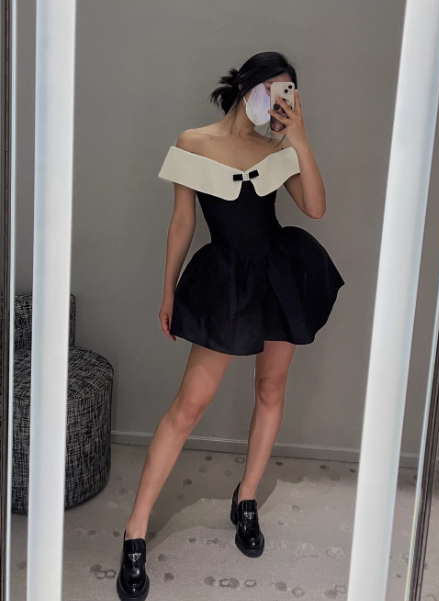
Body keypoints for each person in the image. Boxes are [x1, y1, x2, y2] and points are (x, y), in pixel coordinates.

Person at [116, 50, 345, 601]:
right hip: (226, 280)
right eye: (275, 88)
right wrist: (168, 289)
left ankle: (245, 500)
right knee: (189, 405)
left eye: (291, 92)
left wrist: (302, 141)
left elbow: (316, 208)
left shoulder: (279, 149)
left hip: (278, 274)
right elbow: (182, 221)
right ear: (247, 85)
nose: (281, 99)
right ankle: (135, 531)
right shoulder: (194, 142)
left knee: (271, 389)